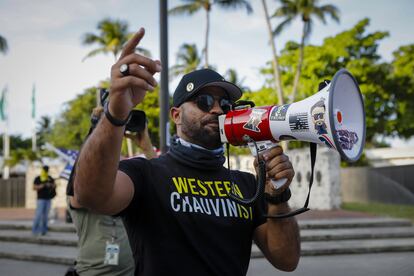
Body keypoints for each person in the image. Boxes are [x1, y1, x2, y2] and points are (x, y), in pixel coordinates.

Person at [73, 28, 300, 276]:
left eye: (225, 104)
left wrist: (277, 198)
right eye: (203, 101)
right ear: (176, 115)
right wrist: (115, 112)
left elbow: (286, 260)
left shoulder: (248, 185)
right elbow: (90, 195)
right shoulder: (146, 174)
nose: (217, 110)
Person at [66, 106, 156, 276]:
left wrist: (147, 148)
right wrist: (96, 129)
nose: (116, 166)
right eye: (108, 164)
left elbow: (161, 186)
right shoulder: (82, 194)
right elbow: (84, 172)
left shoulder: (125, 193)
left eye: (119, 162)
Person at [32, 165, 56, 236]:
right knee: (38, 215)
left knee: (45, 216)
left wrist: (50, 185)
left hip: (48, 199)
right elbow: (34, 187)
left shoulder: (50, 178)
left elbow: (54, 185)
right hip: (41, 199)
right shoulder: (38, 178)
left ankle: (44, 231)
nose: (46, 171)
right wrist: (43, 185)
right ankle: (35, 230)